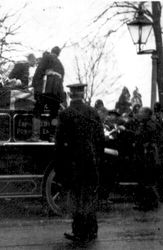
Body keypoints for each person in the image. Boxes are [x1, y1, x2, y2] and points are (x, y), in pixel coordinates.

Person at [54, 83, 105, 243]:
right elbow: (100, 140)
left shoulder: (65, 114)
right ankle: (92, 230)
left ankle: (80, 232)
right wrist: (96, 159)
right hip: (90, 161)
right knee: (89, 196)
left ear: (70, 95)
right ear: (82, 94)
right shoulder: (92, 112)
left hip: (73, 162)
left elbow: (59, 142)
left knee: (76, 197)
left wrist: (59, 165)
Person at [30, 47, 65, 141]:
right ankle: (52, 136)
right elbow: (62, 80)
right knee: (54, 114)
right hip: (58, 92)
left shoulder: (47, 57)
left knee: (37, 110)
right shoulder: (61, 65)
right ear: (58, 54)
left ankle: (35, 136)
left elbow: (39, 71)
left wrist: (34, 85)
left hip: (46, 89)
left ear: (52, 51)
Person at [133, 107, 160, 210]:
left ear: (146, 114)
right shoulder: (145, 124)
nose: (138, 114)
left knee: (147, 179)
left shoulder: (149, 125)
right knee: (144, 179)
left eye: (141, 112)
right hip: (144, 155)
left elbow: (144, 138)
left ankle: (150, 203)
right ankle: (145, 203)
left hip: (148, 155)